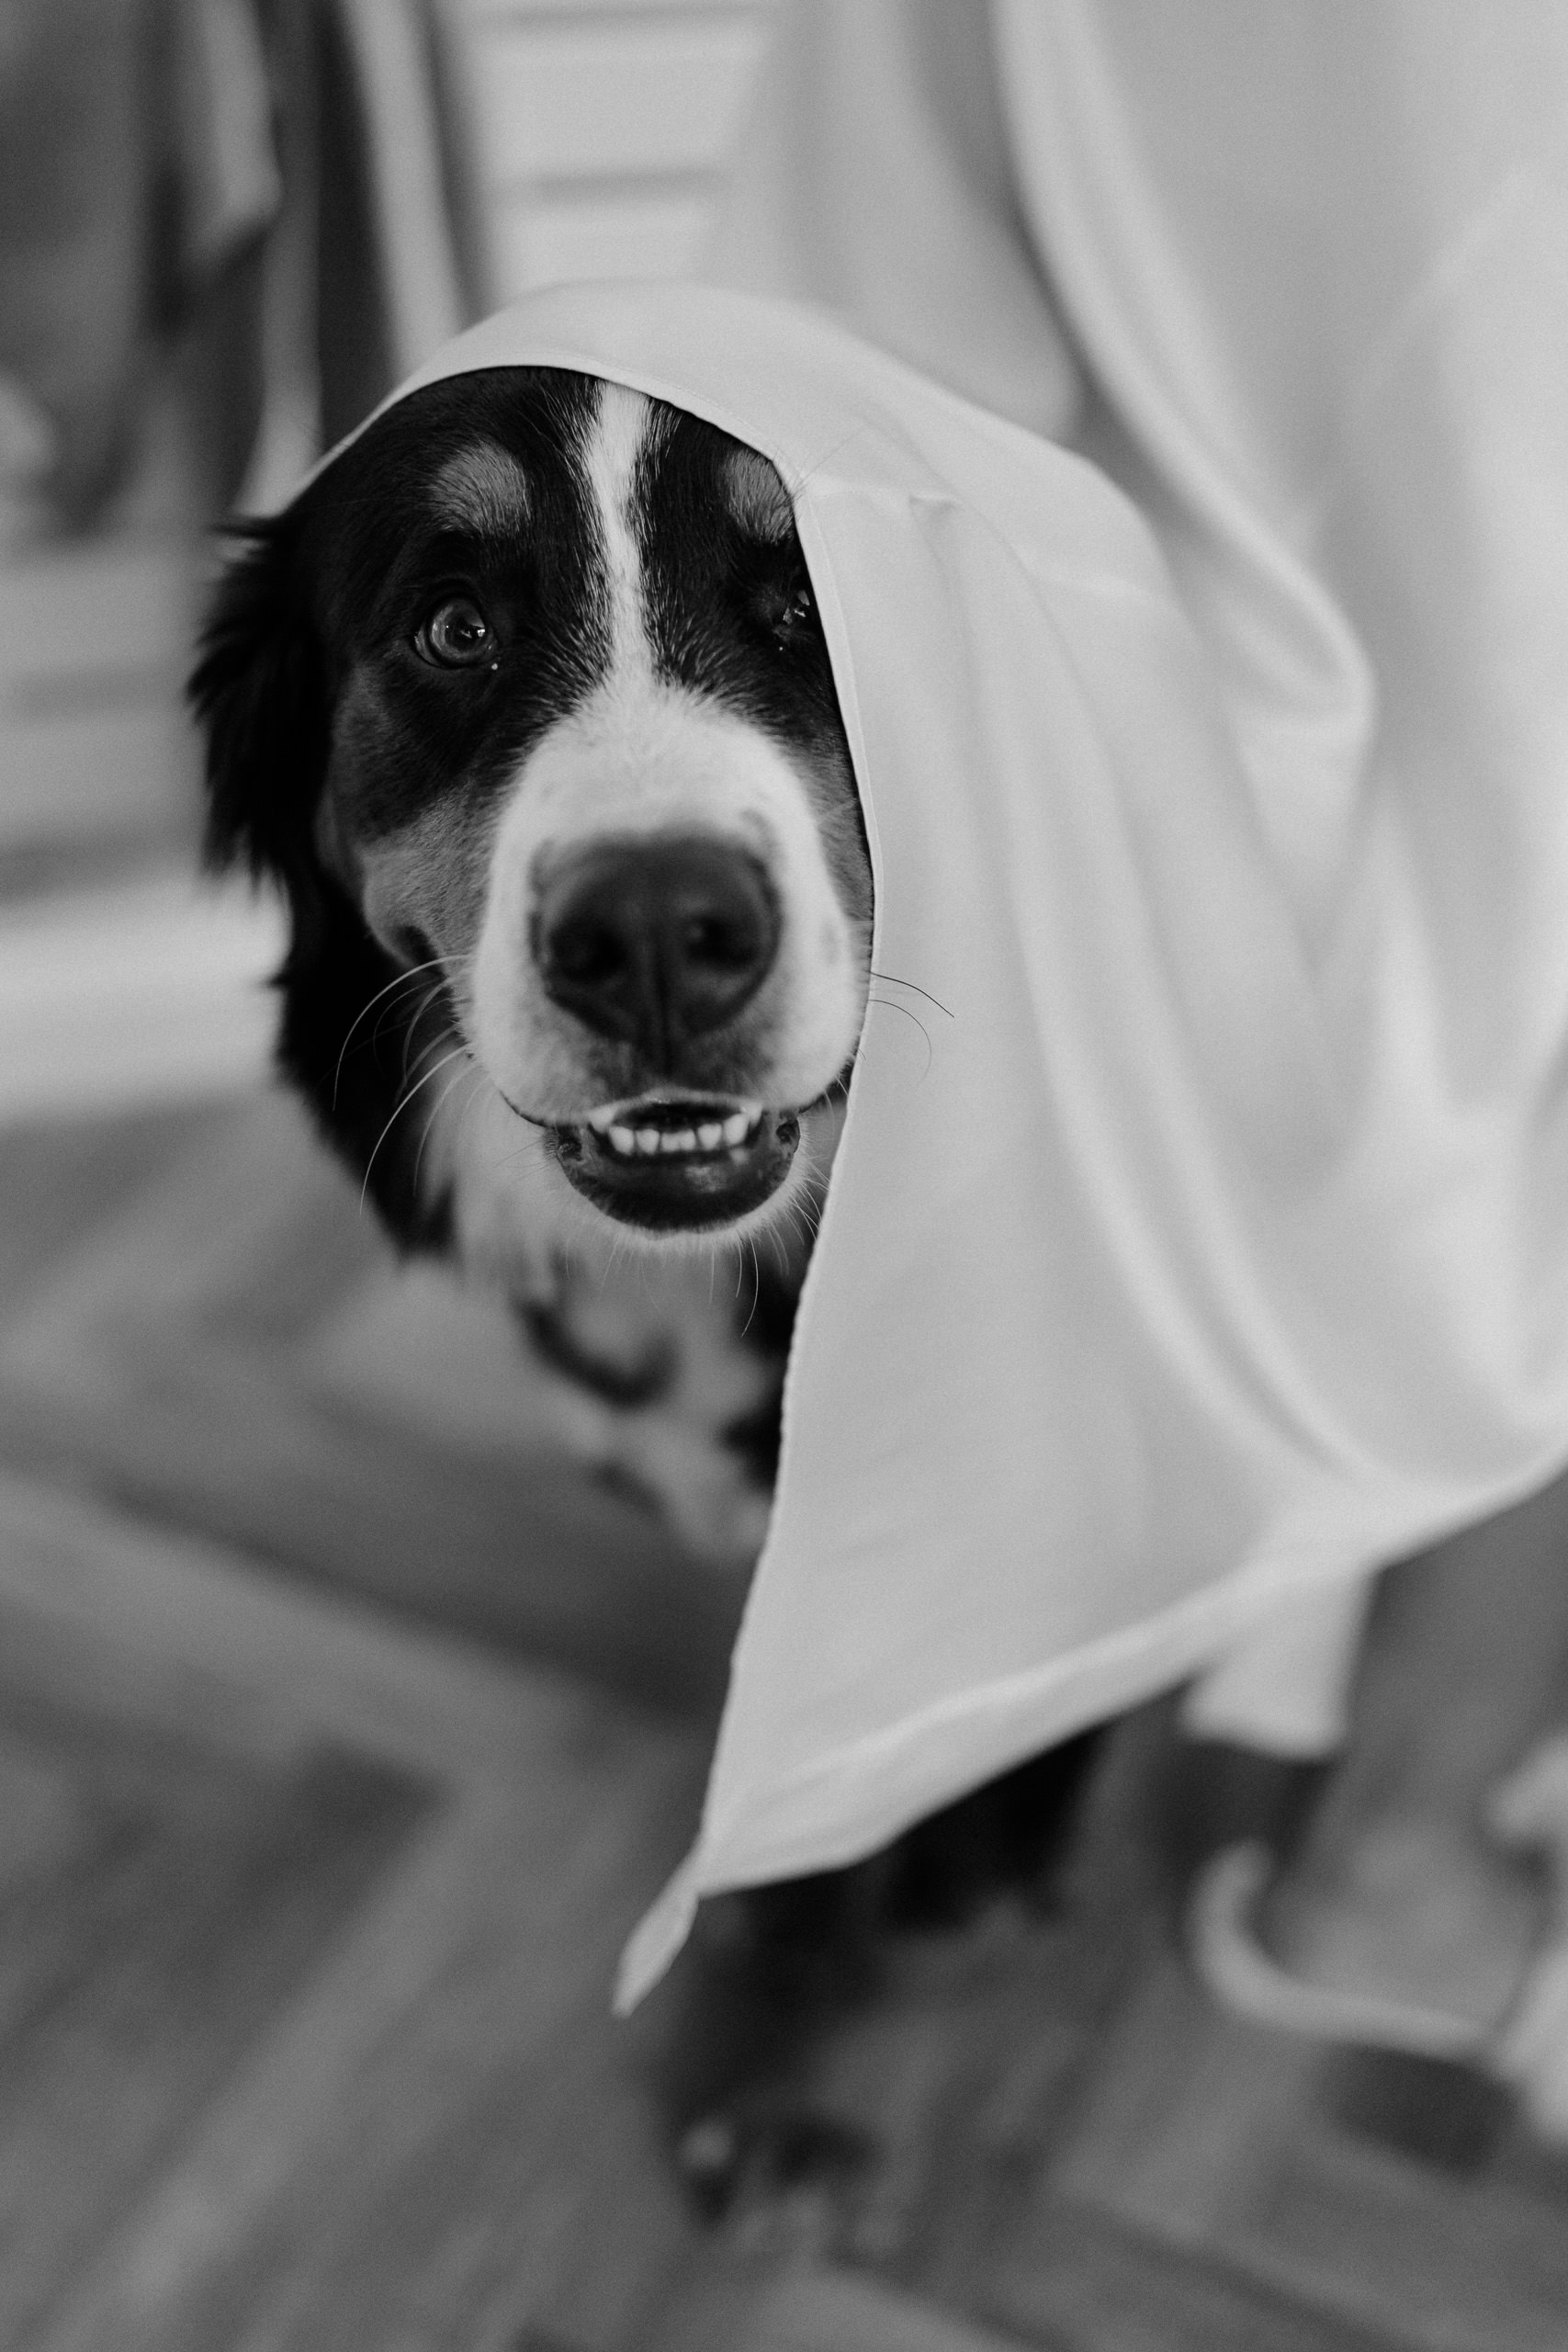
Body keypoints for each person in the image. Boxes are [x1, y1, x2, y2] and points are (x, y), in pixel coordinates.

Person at [704, 0, 1568, 2128]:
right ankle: (919, 1925)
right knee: (988, 1308)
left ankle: (1374, 1838)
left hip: (1286, 565)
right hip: (1192, 594)